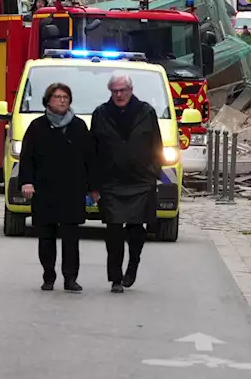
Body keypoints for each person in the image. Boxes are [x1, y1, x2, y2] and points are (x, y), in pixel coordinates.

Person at [18, 82, 98, 292]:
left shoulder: (79, 126)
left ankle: (70, 278)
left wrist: (93, 187)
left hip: (72, 190)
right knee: (46, 236)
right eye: (57, 97)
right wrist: (27, 181)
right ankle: (48, 275)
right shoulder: (37, 127)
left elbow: (90, 158)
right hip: (45, 190)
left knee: (71, 238)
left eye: (65, 97)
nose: (62, 100)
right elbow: (27, 158)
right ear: (48, 100)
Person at [89, 74, 164, 293]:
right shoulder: (101, 114)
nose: (119, 95)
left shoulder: (146, 112)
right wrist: (93, 185)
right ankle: (115, 278)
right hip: (111, 182)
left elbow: (156, 145)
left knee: (135, 230)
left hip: (140, 180)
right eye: (114, 91)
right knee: (113, 229)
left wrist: (153, 172)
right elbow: (92, 151)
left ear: (130, 90)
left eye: (122, 90)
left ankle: (133, 266)